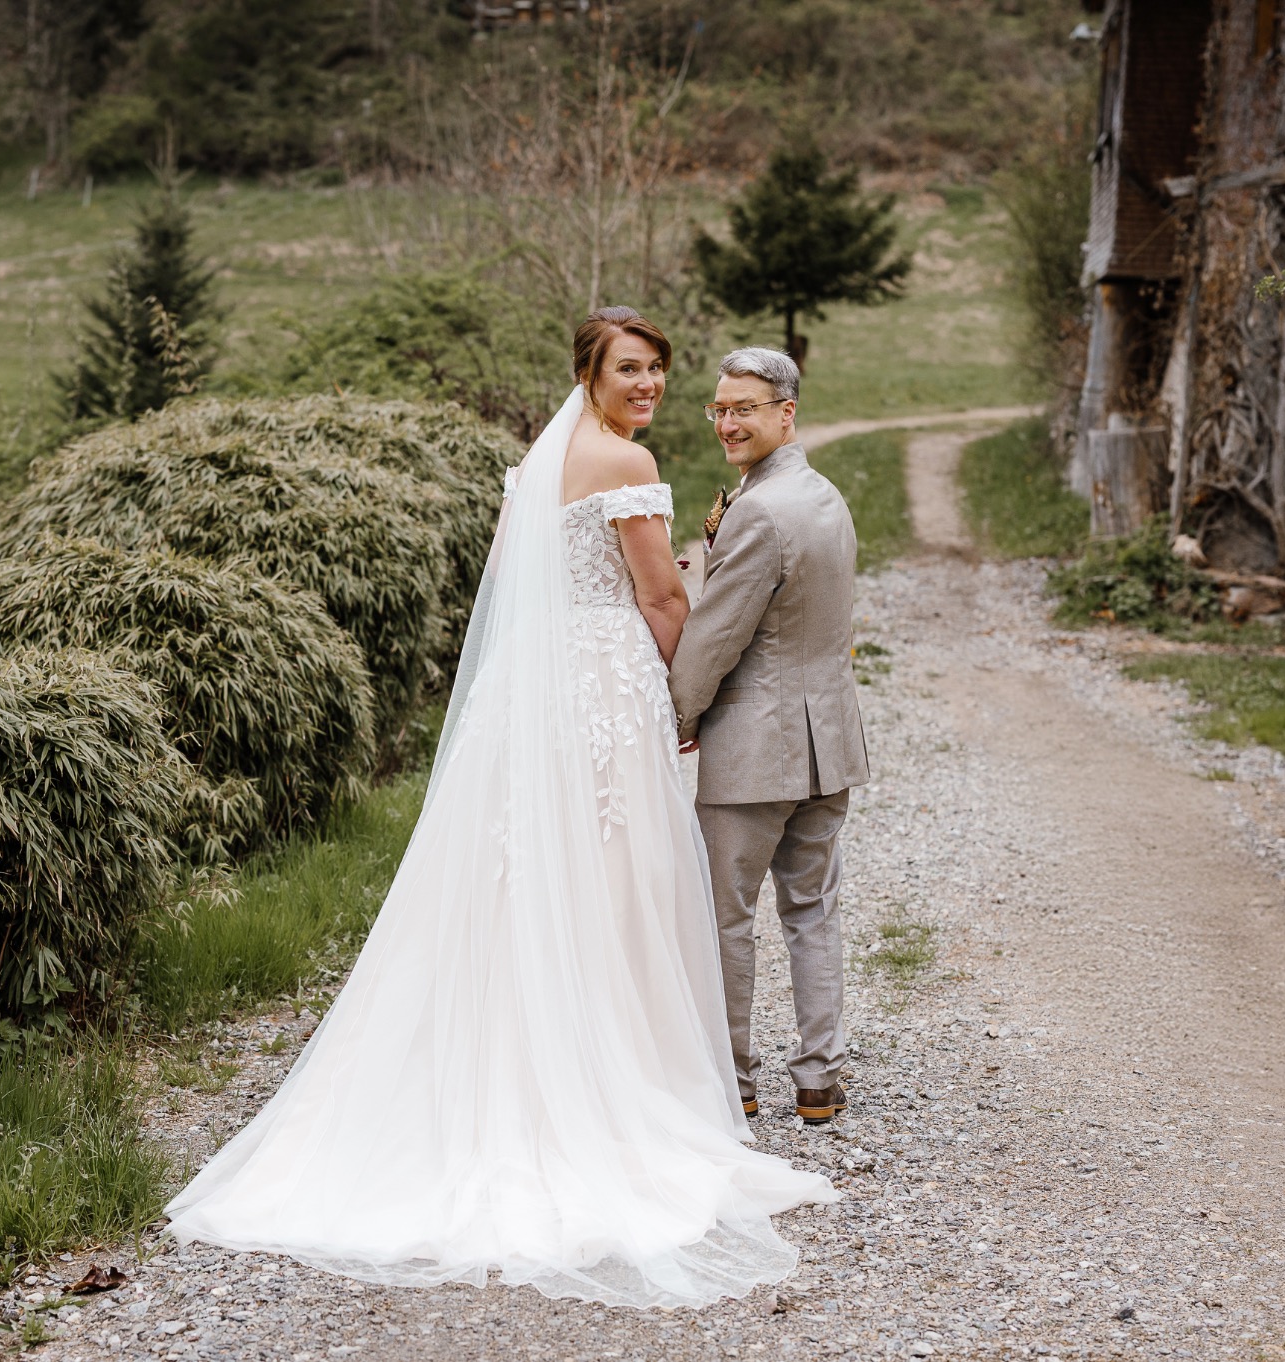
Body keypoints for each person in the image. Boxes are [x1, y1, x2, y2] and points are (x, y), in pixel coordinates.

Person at [165, 309, 835, 1309]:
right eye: (628, 369)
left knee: (508, 878)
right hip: (600, 687)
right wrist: (686, 693)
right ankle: (603, 1091)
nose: (646, 384)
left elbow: (509, 586)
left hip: (529, 687)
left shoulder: (540, 462)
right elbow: (657, 602)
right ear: (589, 373)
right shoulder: (624, 461)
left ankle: (495, 1064)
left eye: (655, 369)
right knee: (613, 882)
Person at [669, 347, 871, 1127]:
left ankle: (732, 1078)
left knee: (723, 915)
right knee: (814, 911)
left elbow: (715, 639)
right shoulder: (825, 497)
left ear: (787, 413)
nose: (728, 421)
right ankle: (819, 1080)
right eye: (720, 408)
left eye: (744, 408)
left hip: (756, 749)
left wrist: (677, 720)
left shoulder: (757, 511)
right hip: (827, 746)